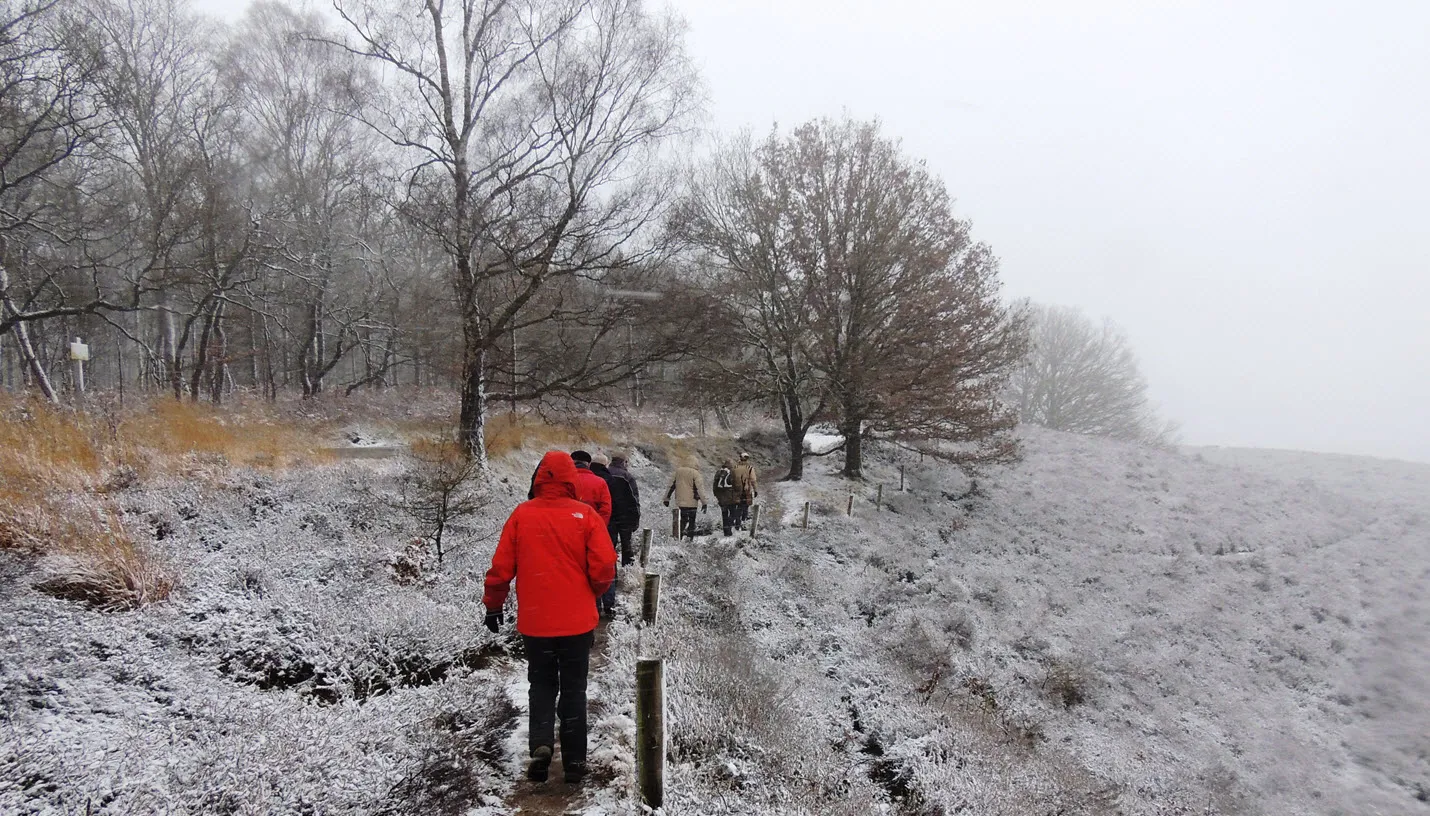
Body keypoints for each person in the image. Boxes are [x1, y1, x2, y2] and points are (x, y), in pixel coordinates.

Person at [483, 451, 616, 785]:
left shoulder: (522, 515)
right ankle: (574, 763)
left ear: (539, 477)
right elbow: (603, 567)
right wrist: (593, 591)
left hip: (536, 622)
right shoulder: (585, 516)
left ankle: (541, 744)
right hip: (577, 623)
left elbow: (501, 569)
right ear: (571, 479)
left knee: (541, 685)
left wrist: (494, 605)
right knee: (574, 689)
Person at [589, 453, 624, 619]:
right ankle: (609, 604)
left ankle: (594, 605)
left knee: (589, 567)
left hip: (584, 532)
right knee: (607, 565)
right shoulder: (613, 481)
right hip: (608, 530)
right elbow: (615, 507)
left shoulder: (578, 481)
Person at [605, 452, 642, 566]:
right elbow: (634, 499)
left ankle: (610, 569)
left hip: (609, 515)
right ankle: (628, 571)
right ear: (624, 462)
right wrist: (636, 519)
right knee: (627, 546)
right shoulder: (627, 477)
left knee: (609, 545)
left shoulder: (605, 473)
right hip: (625, 516)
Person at [662, 460, 706, 541]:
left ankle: (677, 538)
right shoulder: (696, 473)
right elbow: (700, 489)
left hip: (679, 503)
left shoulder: (678, 472)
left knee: (681, 521)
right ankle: (690, 539)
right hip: (692, 503)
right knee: (692, 522)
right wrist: (704, 503)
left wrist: (666, 499)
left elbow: (670, 486)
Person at [570, 450, 612, 526]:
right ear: (589, 465)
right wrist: (598, 527)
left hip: (566, 525)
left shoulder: (564, 480)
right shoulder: (600, 482)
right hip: (590, 525)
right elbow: (605, 509)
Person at [712, 458, 740, 536]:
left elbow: (714, 486)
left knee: (724, 514)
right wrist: (737, 495)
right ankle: (729, 527)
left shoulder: (718, 472)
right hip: (731, 498)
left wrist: (717, 496)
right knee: (733, 513)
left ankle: (726, 532)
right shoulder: (733, 472)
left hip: (721, 499)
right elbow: (737, 486)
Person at [732, 452, 758, 529]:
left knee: (737, 507)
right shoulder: (750, 468)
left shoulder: (735, 467)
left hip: (736, 491)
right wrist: (755, 490)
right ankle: (743, 523)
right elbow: (753, 480)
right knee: (745, 507)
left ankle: (737, 523)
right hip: (746, 491)